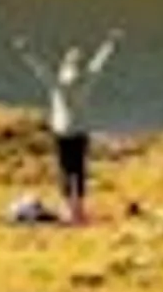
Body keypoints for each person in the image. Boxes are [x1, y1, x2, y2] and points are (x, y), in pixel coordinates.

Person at [13, 33, 117, 221]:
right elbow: (98, 64)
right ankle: (79, 210)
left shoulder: (58, 84)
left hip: (63, 133)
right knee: (79, 170)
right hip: (79, 132)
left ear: (64, 68)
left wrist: (25, 51)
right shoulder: (85, 81)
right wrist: (109, 44)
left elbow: (40, 69)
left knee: (66, 170)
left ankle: (70, 210)